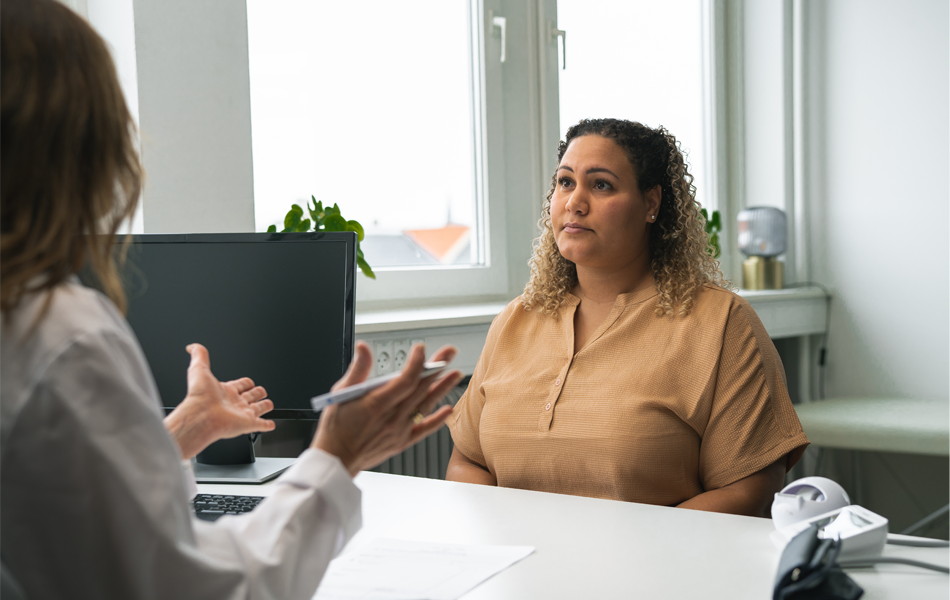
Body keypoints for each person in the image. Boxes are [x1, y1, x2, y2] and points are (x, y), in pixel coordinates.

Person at [0, 1, 462, 598]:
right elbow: (207, 590)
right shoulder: (56, 334)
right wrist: (334, 457)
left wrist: (180, 431)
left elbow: (44, 498)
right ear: (89, 146)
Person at [446, 118, 809, 517]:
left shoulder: (721, 323)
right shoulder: (516, 320)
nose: (575, 202)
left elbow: (752, 485)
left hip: (658, 570)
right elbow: (466, 461)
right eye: (566, 182)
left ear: (651, 203)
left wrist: (637, 548)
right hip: (521, 566)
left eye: (601, 185)